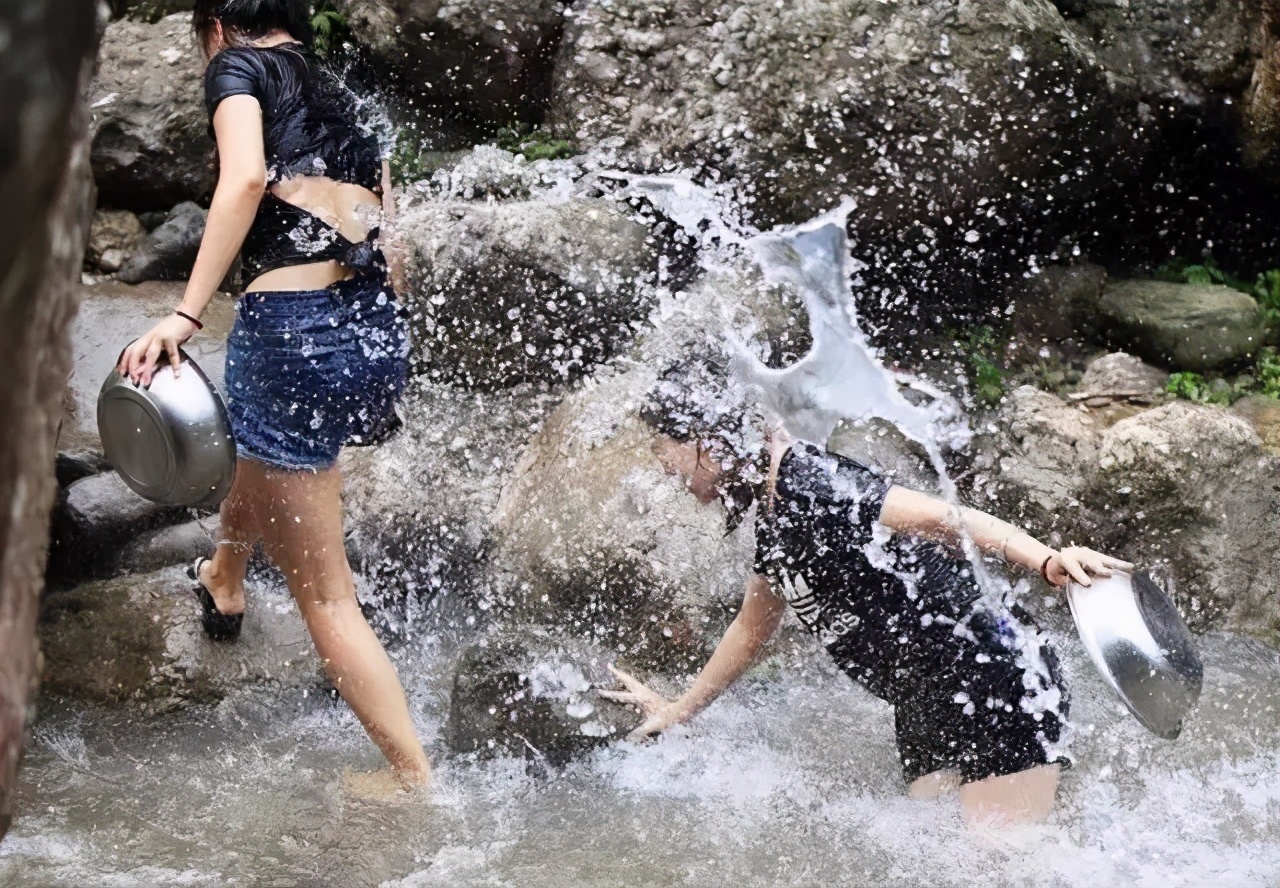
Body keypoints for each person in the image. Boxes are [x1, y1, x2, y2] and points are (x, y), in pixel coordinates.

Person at [602, 358, 1131, 827]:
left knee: (995, 866)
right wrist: (679, 711)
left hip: (994, 673)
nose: (673, 479)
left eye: (670, 460)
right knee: (935, 852)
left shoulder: (812, 481)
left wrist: (1047, 559)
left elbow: (945, 519)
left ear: (708, 439)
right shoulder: (773, 512)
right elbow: (751, 627)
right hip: (927, 699)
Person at [118, 0, 429, 791]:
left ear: (217, 26)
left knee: (327, 599)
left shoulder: (238, 65)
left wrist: (186, 314)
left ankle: (410, 776)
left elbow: (247, 177)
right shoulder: (351, 92)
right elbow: (391, 233)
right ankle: (225, 578)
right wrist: (385, 358)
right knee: (269, 446)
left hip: (292, 329)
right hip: (372, 327)